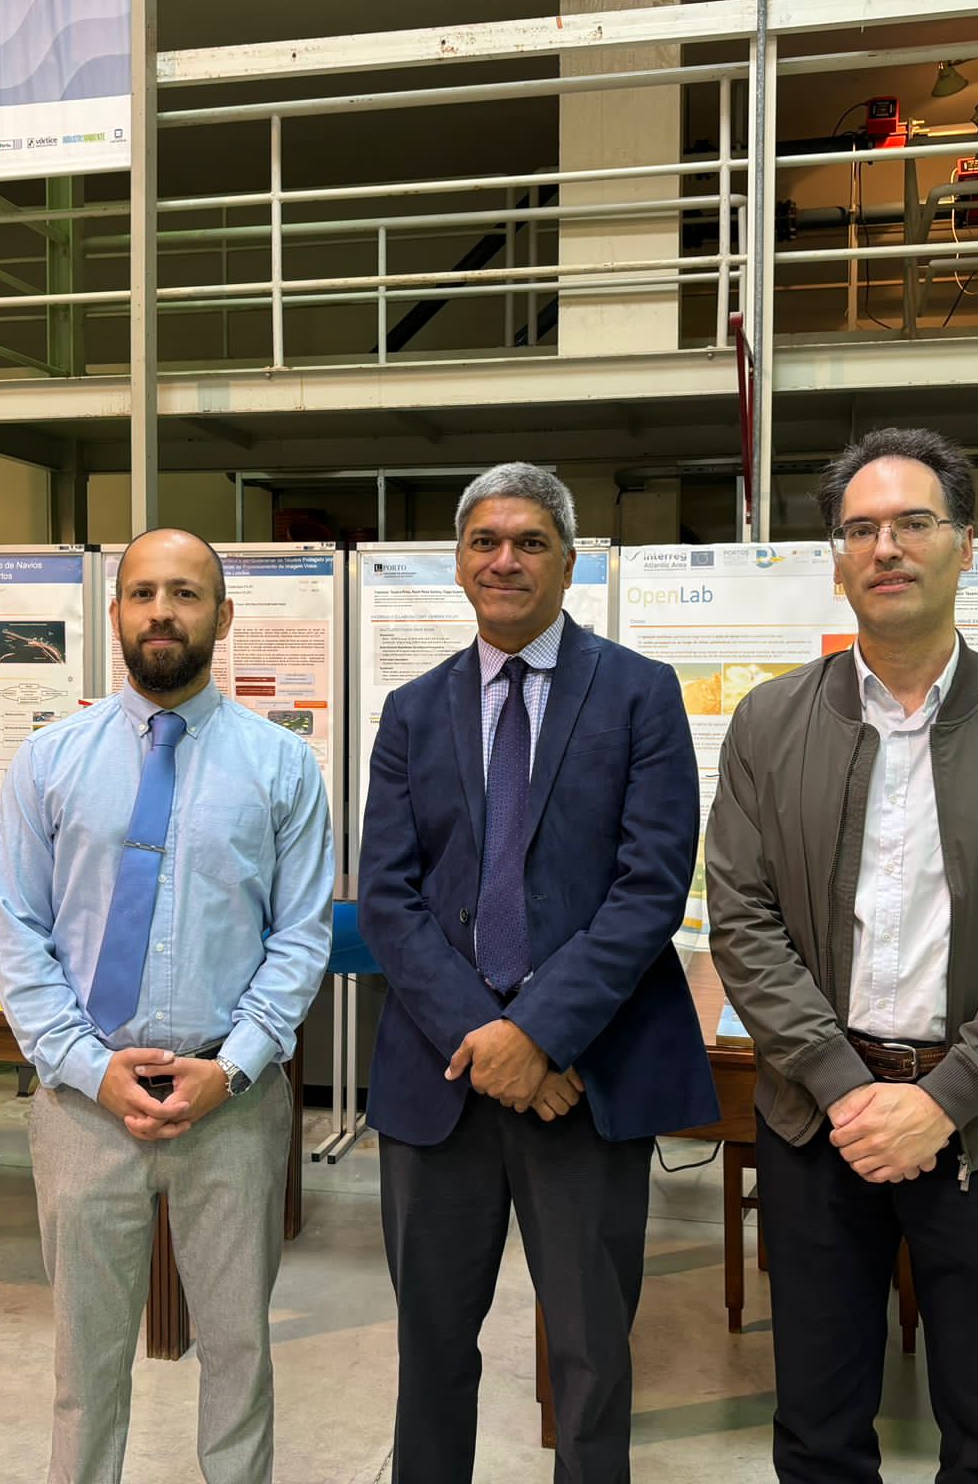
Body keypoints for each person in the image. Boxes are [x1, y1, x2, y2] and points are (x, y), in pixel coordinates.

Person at [705, 428, 978, 1484]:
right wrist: (848, 1091)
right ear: (836, 559)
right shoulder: (768, 723)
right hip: (817, 1124)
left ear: (964, 547)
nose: (883, 547)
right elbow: (742, 923)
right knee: (814, 1431)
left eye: (911, 524)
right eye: (859, 529)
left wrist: (942, 1099)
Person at [360, 462, 719, 1482]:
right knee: (430, 1351)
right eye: (483, 541)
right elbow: (389, 896)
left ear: (568, 561)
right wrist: (492, 1043)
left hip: (587, 1081)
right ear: (458, 564)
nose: (503, 560)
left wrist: (543, 1035)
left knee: (592, 1355)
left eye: (527, 542)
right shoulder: (413, 710)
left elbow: (648, 890)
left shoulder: (639, 696)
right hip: (442, 1081)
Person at [0, 527, 334, 1484]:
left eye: (185, 594)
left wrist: (234, 1066)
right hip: (84, 1103)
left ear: (222, 616)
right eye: (142, 593)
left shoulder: (282, 767)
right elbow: (18, 930)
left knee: (238, 1352)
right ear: (115, 615)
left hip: (232, 1100)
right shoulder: (49, 763)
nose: (162, 612)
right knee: (85, 1364)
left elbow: (301, 935)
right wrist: (89, 1067)